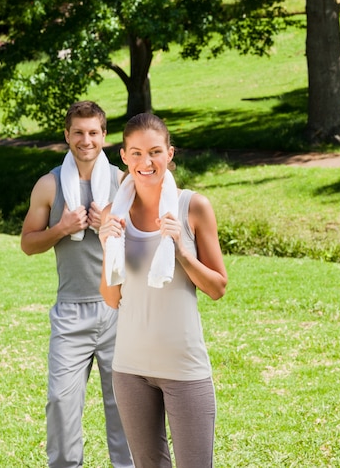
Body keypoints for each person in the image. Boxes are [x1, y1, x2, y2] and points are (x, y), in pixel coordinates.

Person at [99, 112, 228, 468]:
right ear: (124, 156)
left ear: (170, 154)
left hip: (184, 368)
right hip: (130, 368)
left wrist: (182, 250)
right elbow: (111, 298)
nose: (146, 162)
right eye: (136, 153)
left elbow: (217, 287)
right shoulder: (115, 214)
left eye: (155, 152)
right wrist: (107, 245)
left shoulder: (193, 207)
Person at [21, 100, 133, 468]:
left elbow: (145, 246)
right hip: (70, 313)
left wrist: (108, 227)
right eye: (79, 133)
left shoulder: (122, 184)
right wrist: (61, 228)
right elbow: (28, 244)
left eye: (93, 132)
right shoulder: (49, 185)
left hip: (119, 309)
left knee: (126, 408)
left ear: (104, 136)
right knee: (60, 403)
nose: (86, 140)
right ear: (67, 136)